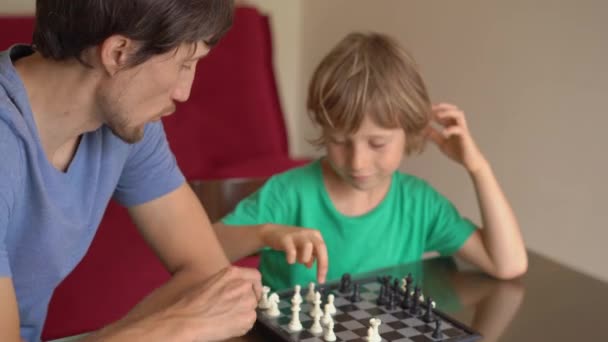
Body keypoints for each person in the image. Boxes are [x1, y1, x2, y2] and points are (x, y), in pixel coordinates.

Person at [0, 1, 262, 341]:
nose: (184, 92)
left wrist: (145, 332)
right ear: (119, 53)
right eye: (185, 63)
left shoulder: (123, 119)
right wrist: (178, 326)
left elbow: (205, 272)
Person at [213, 32, 528, 290]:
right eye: (339, 141)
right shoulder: (289, 193)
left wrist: (478, 167)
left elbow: (508, 264)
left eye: (377, 143)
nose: (358, 162)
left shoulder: (420, 204)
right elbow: (205, 250)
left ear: (411, 131)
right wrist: (264, 234)